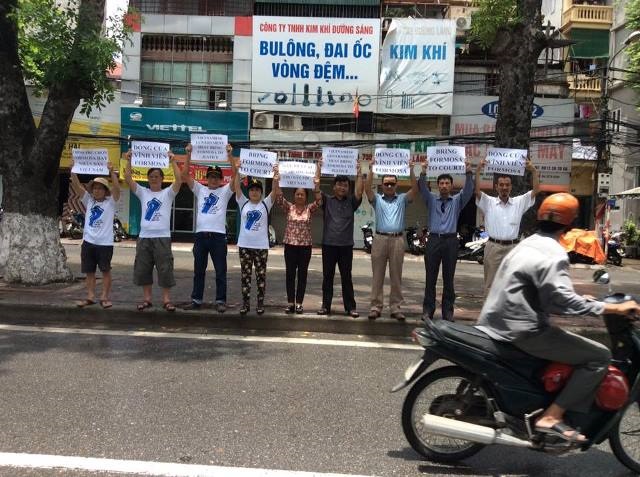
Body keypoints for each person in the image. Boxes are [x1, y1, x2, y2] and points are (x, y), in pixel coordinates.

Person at [477, 193, 640, 442]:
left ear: (540, 216)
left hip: (495, 320)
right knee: (599, 356)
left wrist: (581, 299)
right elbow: (561, 303)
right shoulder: (555, 253)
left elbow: (547, 293)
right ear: (570, 224)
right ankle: (552, 416)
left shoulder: (527, 243)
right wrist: (612, 309)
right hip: (523, 330)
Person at [181, 144, 238, 312]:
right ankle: (196, 300)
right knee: (199, 271)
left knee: (220, 271)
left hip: (218, 237)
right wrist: (188, 154)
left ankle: (220, 301)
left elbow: (236, 177)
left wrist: (230, 156)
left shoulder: (225, 191)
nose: (214, 180)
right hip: (201, 237)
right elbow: (185, 175)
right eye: (211, 177)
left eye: (217, 177)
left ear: (221, 179)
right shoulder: (200, 189)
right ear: (207, 178)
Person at [124, 149, 182, 312]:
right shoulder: (143, 192)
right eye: (151, 176)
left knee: (165, 269)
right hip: (144, 237)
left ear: (162, 179)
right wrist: (129, 160)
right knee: (143, 268)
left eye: (157, 176)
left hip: (162, 237)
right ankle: (147, 299)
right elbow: (128, 178)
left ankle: (166, 300)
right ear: (148, 178)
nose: (154, 178)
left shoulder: (168, 193)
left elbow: (179, 180)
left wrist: (173, 161)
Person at [418, 160, 474, 321]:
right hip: (434, 240)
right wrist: (423, 172)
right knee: (430, 278)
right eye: (441, 183)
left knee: (449, 279)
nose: (444, 186)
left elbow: (468, 190)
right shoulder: (431, 199)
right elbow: (422, 188)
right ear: (438, 185)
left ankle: (448, 312)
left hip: (450, 241)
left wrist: (468, 172)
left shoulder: (457, 201)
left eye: (447, 183)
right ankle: (428, 311)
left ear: (451, 186)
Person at [475, 157, 540, 296]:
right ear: (496, 187)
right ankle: (490, 310)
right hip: (493, 247)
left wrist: (533, 171)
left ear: (511, 187)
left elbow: (535, 191)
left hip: (513, 248)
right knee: (490, 284)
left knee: (512, 285)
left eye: (507, 185)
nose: (504, 187)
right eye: (501, 185)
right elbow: (477, 192)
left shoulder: (519, 202)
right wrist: (478, 171)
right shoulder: (488, 202)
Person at [364, 158, 418, 321]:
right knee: (377, 275)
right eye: (386, 183)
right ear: (381, 185)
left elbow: (415, 189)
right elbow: (367, 189)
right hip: (379, 239)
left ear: (396, 185)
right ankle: (375, 307)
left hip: (397, 240)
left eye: (392, 184)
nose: (389, 186)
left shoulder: (402, 199)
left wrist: (411, 170)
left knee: (396, 276)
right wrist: (371, 169)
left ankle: (395, 307)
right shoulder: (377, 199)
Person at [70, 161, 120, 309]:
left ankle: (104, 297)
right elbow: (77, 187)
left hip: (105, 244)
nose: (97, 191)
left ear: (105, 191)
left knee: (105, 271)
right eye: (95, 188)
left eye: (100, 188)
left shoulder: (111, 202)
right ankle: (90, 296)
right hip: (88, 242)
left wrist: (112, 173)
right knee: (89, 271)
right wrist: (73, 170)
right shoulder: (89, 201)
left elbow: (117, 189)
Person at [233, 160, 280, 315]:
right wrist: (237, 171)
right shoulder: (243, 203)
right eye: (252, 189)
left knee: (261, 276)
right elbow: (237, 187)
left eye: (257, 190)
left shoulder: (266, 204)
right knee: (245, 276)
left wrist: (275, 175)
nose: (254, 192)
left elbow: (274, 191)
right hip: (245, 246)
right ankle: (245, 304)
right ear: (249, 192)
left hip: (261, 247)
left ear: (261, 192)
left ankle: (260, 304)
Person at [275, 161, 322, 314]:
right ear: (294, 195)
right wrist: (276, 179)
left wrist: (317, 182)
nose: (300, 196)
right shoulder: (289, 207)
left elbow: (319, 201)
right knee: (290, 275)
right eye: (297, 194)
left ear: (306, 196)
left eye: (302, 194)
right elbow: (279, 197)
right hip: (290, 246)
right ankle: (290, 303)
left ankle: (299, 303)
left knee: (302, 275)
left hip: (305, 248)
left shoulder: (310, 209)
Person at [317, 169, 364, 318]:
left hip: (346, 246)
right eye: (339, 184)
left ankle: (350, 307)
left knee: (346, 277)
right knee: (327, 277)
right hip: (329, 245)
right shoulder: (327, 200)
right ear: (334, 187)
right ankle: (325, 306)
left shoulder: (352, 202)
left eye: (345, 185)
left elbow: (359, 192)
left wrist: (359, 174)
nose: (342, 187)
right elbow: (316, 190)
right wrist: (319, 169)